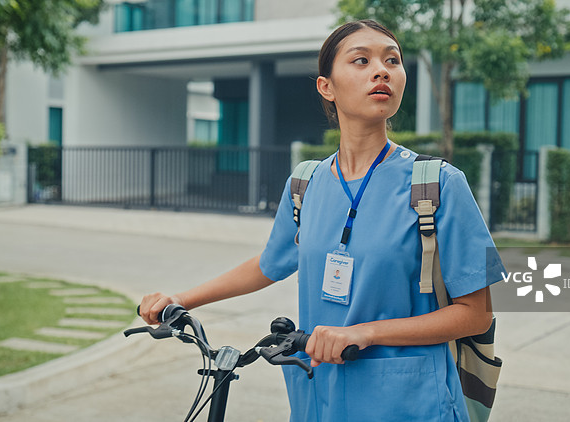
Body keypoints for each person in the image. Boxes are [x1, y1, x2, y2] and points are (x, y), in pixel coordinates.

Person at [139, 19, 505, 422]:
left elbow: (476, 313)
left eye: (393, 61)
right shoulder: (305, 181)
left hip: (409, 402)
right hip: (319, 397)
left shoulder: (440, 183)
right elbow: (269, 264)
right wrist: (182, 299)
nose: (382, 70)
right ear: (326, 86)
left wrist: (364, 332)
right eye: (361, 61)